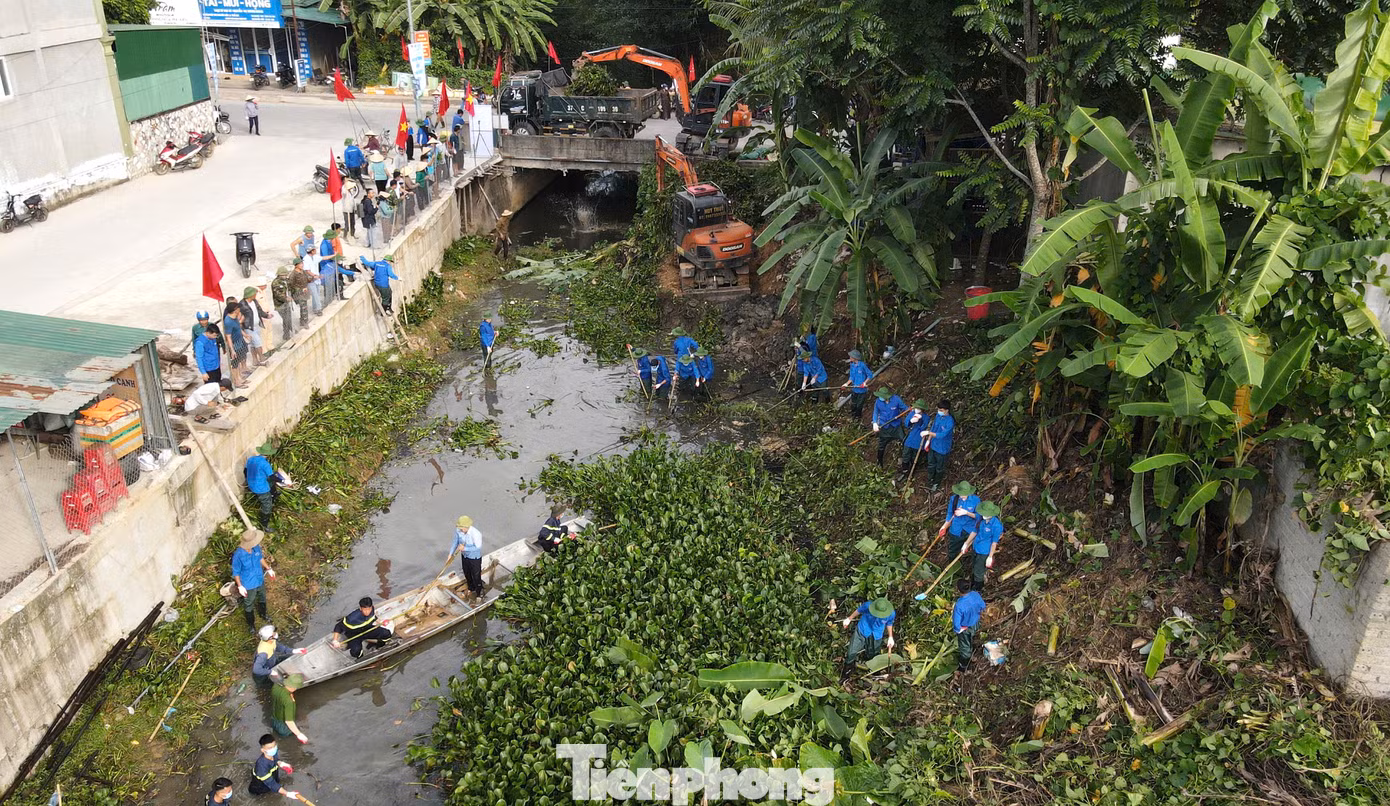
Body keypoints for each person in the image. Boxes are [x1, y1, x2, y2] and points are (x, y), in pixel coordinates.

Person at [232, 528, 275, 632]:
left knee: (262, 596)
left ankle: (263, 614)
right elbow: (236, 572)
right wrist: (240, 586)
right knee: (249, 603)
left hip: (259, 579)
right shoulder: (238, 555)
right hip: (248, 583)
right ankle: (251, 625)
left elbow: (260, 559)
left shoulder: (256, 548)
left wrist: (268, 569)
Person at [841, 597, 896, 674]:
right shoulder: (868, 606)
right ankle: (847, 669)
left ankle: (870, 668)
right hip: (863, 629)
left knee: (873, 653)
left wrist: (890, 637)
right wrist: (849, 619)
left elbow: (889, 623)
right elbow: (859, 611)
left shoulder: (891, 614)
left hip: (876, 633)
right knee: (852, 651)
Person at [960, 501, 1002, 591]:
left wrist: (990, 557)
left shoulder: (996, 526)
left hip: (984, 551)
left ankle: (978, 589)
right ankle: (972, 584)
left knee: (979, 572)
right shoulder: (980, 519)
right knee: (974, 567)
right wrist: (966, 543)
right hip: (976, 547)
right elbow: (974, 531)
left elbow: (994, 543)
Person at [951, 577, 985, 681]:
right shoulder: (975, 594)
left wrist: (957, 630)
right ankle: (974, 655)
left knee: (965, 647)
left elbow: (956, 622)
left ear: (958, 590)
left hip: (965, 628)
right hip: (976, 623)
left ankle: (963, 667)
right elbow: (983, 606)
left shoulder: (959, 605)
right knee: (973, 638)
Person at [245, 441, 284, 532]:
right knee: (267, 505)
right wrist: (282, 481)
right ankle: (264, 525)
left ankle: (274, 493)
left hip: (251, 483)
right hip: (260, 488)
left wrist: (249, 479)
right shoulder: (265, 464)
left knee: (270, 483)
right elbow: (272, 477)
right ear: (268, 454)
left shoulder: (251, 459)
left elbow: (245, 470)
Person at [248, 734, 301, 799]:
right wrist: (287, 793)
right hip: (260, 787)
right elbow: (271, 784)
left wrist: (281, 763)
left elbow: (275, 759)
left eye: (274, 746)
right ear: (263, 750)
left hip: (272, 776)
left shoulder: (273, 753)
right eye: (270, 748)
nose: (273, 749)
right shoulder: (261, 766)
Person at [939, 481, 981, 560]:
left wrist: (966, 513)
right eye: (960, 494)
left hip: (970, 531)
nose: (961, 496)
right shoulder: (954, 499)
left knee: (974, 553)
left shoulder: (976, 500)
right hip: (956, 530)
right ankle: (954, 570)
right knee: (952, 553)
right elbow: (950, 514)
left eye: (964, 494)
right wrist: (944, 526)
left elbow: (979, 517)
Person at [922, 399, 956, 491]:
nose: (939, 412)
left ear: (947, 410)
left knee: (939, 467)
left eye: (941, 410)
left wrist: (929, 433)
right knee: (931, 464)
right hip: (933, 445)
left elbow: (942, 435)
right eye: (939, 410)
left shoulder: (950, 422)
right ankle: (930, 480)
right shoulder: (938, 416)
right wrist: (929, 439)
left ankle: (936, 483)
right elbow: (934, 428)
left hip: (942, 448)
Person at [449, 515, 485, 597]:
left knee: (476, 575)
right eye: (459, 527)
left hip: (474, 558)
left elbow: (477, 547)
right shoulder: (458, 531)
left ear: (467, 526)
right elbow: (455, 542)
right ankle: (471, 588)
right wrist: (450, 554)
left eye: (462, 528)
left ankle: (480, 592)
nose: (460, 529)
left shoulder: (476, 534)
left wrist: (464, 548)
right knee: (467, 573)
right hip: (465, 556)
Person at [871, 387, 907, 467]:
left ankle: (904, 461)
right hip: (884, 426)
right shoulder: (878, 402)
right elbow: (875, 413)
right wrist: (875, 423)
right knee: (881, 445)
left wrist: (912, 414)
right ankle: (879, 463)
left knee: (904, 440)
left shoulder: (896, 400)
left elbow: (905, 409)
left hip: (896, 426)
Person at [896, 399, 930, 482]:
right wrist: (911, 421)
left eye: (918, 408)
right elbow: (907, 423)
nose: (916, 409)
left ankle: (912, 472)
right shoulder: (912, 413)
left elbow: (924, 427)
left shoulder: (926, 417)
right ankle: (904, 470)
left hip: (919, 440)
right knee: (906, 454)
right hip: (910, 438)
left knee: (915, 457)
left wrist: (920, 420)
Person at [270, 673, 309, 744]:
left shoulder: (276, 686)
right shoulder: (289, 701)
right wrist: (299, 734)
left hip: (274, 718)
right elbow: (289, 722)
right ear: (295, 687)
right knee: (287, 735)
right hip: (282, 726)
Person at [240, 287, 270, 367]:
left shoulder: (254, 301)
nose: (255, 295)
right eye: (254, 294)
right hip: (249, 327)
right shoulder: (242, 305)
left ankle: (255, 360)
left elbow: (259, 311)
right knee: (258, 342)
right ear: (250, 295)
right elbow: (240, 316)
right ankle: (261, 357)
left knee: (253, 345)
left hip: (256, 325)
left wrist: (266, 315)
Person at [223, 302, 249, 388]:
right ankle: (236, 381)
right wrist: (232, 350)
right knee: (234, 364)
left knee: (238, 361)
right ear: (235, 310)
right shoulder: (228, 321)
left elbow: (238, 328)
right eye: (238, 308)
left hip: (240, 341)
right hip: (234, 344)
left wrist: (245, 335)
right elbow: (228, 337)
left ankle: (239, 378)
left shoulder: (235, 318)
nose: (239, 309)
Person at [842, 350, 873, 420]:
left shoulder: (862, 365)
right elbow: (852, 377)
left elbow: (870, 375)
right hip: (854, 389)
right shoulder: (852, 365)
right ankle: (853, 417)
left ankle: (858, 418)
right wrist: (846, 384)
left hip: (862, 390)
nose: (850, 357)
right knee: (853, 404)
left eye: (851, 356)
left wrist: (865, 383)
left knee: (859, 405)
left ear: (855, 358)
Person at [270, 268, 296, 341]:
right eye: (284, 275)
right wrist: (285, 298)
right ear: (279, 275)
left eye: (286, 274)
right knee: (286, 319)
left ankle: (291, 331)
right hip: (280, 305)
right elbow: (277, 294)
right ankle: (286, 335)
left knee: (288, 318)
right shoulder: (276, 283)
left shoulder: (285, 281)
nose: (285, 276)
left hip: (287, 304)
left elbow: (291, 287)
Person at [317, 230, 340, 304]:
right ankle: (327, 301)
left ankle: (331, 297)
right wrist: (332, 260)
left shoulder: (329, 242)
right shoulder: (324, 245)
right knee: (327, 284)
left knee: (331, 282)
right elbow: (325, 256)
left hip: (330, 264)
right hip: (326, 266)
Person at [290, 259, 313, 329]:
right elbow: (291, 285)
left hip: (304, 293)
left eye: (302, 263)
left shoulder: (303, 271)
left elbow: (307, 280)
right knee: (304, 307)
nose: (302, 265)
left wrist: (312, 278)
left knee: (303, 307)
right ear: (296, 265)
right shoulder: (293, 274)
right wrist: (300, 289)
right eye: (300, 264)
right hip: (299, 294)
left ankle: (302, 321)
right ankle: (305, 322)